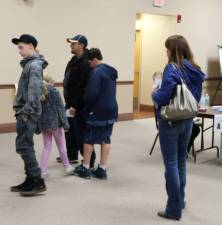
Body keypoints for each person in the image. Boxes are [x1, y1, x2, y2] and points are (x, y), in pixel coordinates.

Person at [152, 35, 205, 220]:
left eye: (167, 48)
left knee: (172, 163)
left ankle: (173, 209)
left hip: (171, 121)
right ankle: (180, 200)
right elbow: (196, 96)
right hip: (188, 119)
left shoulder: (172, 68)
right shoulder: (195, 69)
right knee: (181, 161)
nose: (165, 51)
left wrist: (154, 94)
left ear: (172, 50)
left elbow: (164, 96)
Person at [10, 34, 47, 196]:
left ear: (31, 46)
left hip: (27, 113)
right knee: (27, 145)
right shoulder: (30, 64)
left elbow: (35, 91)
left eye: (21, 47)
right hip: (24, 112)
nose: (19, 51)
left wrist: (25, 113)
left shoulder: (34, 66)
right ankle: (30, 179)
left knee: (23, 146)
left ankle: (37, 180)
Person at [74, 48, 118, 180]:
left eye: (89, 61)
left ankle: (86, 168)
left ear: (94, 60)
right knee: (105, 138)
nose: (88, 64)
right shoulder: (111, 71)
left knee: (89, 139)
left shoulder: (96, 73)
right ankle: (102, 169)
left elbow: (91, 94)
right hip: (111, 110)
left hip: (97, 110)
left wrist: (86, 107)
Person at [59, 34, 96, 168]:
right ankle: (72, 155)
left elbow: (82, 87)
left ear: (82, 45)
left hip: (79, 105)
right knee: (69, 130)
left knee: (82, 133)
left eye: (74, 43)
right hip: (70, 102)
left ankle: (89, 161)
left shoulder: (86, 62)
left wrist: (74, 105)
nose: (71, 45)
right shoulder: (74, 59)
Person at [40, 75, 74, 177]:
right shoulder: (54, 91)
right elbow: (60, 109)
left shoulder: (38, 91)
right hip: (55, 124)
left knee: (46, 146)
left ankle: (43, 170)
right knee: (61, 145)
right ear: (50, 81)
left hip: (44, 123)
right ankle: (67, 166)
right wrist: (65, 124)